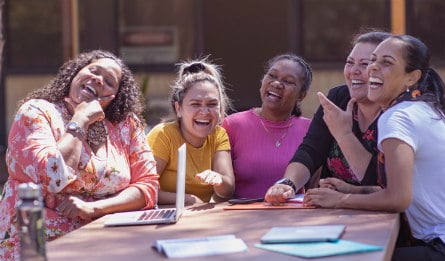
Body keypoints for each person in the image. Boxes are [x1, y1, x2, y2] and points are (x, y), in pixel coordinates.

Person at [303, 35, 445, 260]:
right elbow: (403, 189)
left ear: (412, 78)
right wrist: (352, 190)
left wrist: (340, 200)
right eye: (374, 61)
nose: (373, 68)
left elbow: (398, 198)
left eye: (386, 63)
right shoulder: (420, 109)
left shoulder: (398, 117)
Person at [0, 50, 159, 260]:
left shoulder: (126, 126)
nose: (98, 79)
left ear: (114, 96)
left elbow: (147, 186)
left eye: (109, 81)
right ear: (76, 73)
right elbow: (53, 178)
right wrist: (80, 119)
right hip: (37, 244)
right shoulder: (37, 112)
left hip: (104, 242)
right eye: (93, 70)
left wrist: (93, 208)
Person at [265, 31, 391, 203]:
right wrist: (288, 183)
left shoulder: (396, 112)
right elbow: (310, 150)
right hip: (333, 211)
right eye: (349, 62)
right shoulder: (338, 97)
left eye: (364, 64)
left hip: (384, 216)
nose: (353, 71)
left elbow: (385, 184)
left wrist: (343, 134)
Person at [222, 54, 312, 198]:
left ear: (301, 95)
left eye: (288, 81)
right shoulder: (232, 125)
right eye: (272, 75)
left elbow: (314, 188)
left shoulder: (310, 130)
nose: (276, 84)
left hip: (292, 216)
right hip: (242, 216)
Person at [146, 58, 235, 205]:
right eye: (195, 104)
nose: (205, 111)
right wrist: (188, 199)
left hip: (199, 218)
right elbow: (144, 189)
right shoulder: (163, 135)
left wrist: (219, 181)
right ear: (178, 108)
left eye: (212, 104)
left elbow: (228, 190)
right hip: (162, 218)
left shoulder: (219, 135)